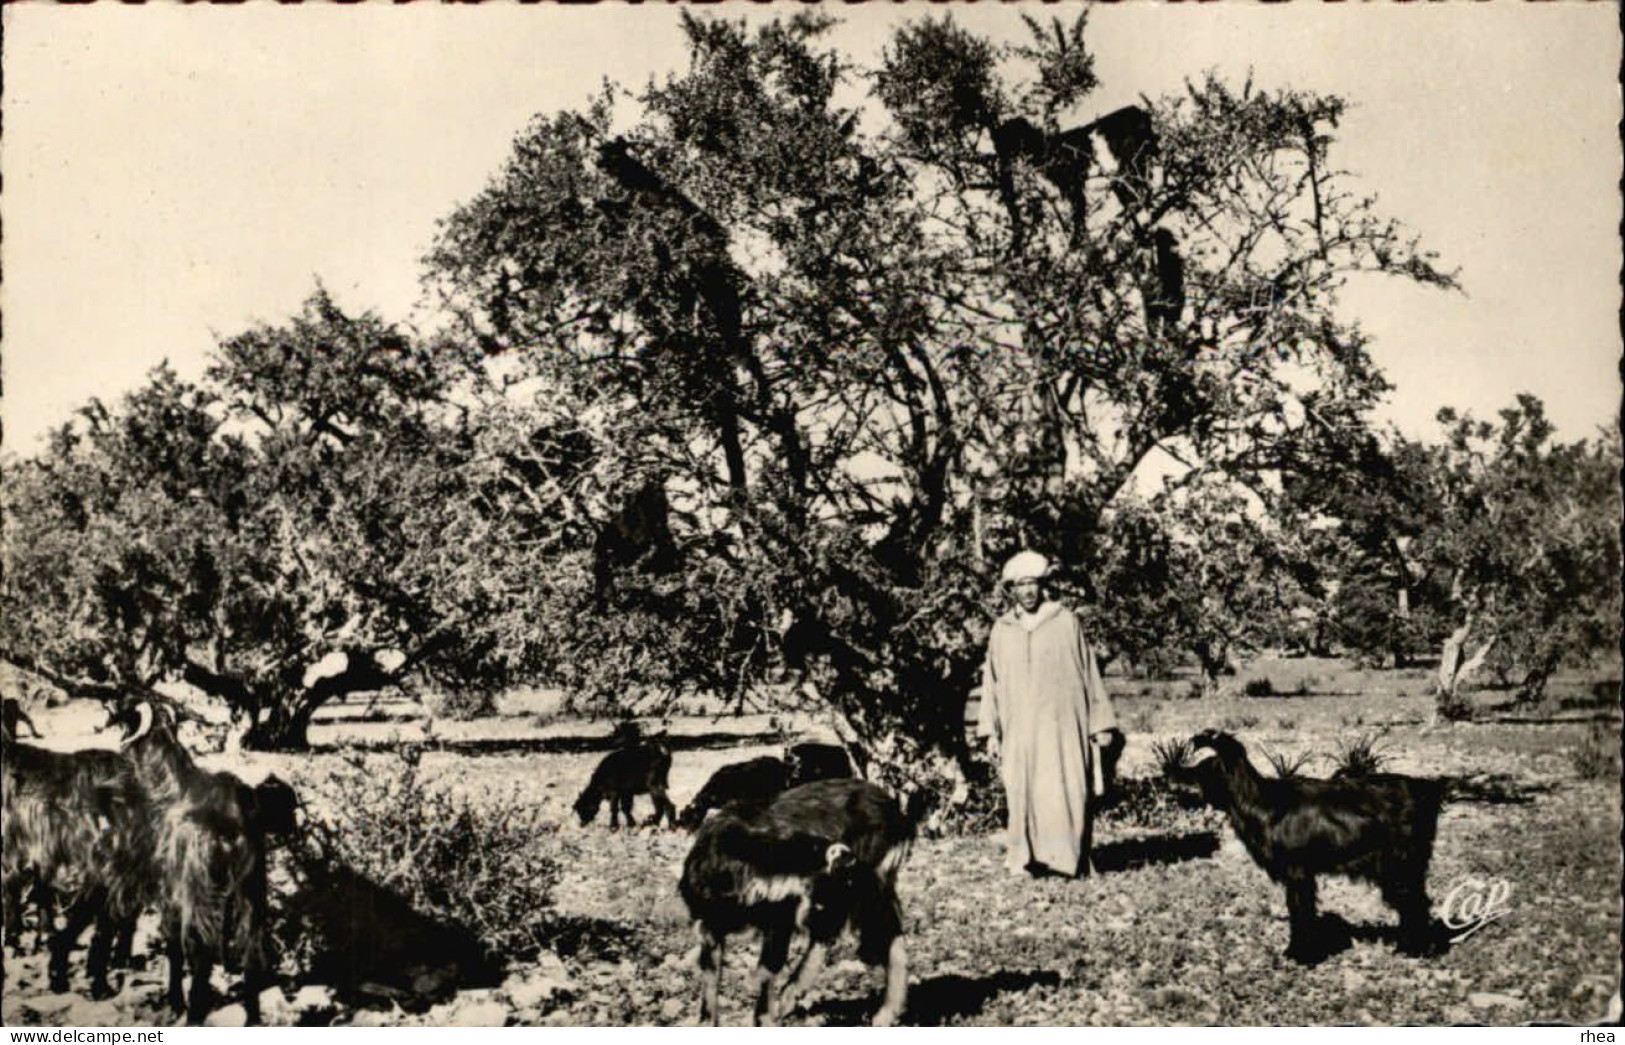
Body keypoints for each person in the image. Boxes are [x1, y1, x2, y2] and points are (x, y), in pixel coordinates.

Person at [977, 551, 1120, 878]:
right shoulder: (1002, 630)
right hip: (1019, 732)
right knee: (1021, 792)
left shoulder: (1065, 622)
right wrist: (990, 730)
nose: (1027, 591)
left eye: (1033, 584)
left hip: (1062, 727)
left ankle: (1069, 861)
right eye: (1020, 585)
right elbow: (991, 682)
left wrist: (1100, 723)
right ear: (1011, 589)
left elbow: (1089, 673)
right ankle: (1025, 860)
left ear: (1043, 586)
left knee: (1064, 789)